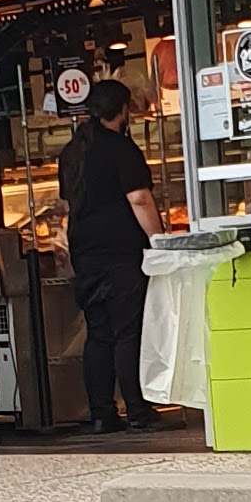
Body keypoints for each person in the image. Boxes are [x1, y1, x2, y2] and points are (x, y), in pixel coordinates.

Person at [60, 75, 159, 431]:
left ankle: (102, 414)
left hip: (85, 252)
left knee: (98, 332)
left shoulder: (72, 151)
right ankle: (138, 410)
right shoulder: (121, 148)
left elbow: (68, 203)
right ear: (123, 110)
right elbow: (139, 198)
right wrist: (159, 239)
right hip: (120, 249)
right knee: (128, 330)